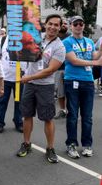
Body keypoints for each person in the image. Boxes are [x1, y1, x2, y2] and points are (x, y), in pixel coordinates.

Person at [16, 14, 66, 164]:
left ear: (60, 27)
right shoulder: (36, 37)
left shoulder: (60, 47)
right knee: (27, 115)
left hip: (45, 86)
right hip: (30, 84)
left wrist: (27, 78)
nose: (52, 27)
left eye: (56, 25)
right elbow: (22, 51)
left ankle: (50, 148)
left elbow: (49, 70)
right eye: (50, 24)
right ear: (45, 24)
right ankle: (26, 144)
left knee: (48, 118)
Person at [63, 16, 102, 159]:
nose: (79, 26)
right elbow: (73, 60)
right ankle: (71, 144)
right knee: (72, 115)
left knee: (87, 116)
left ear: (84, 26)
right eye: (76, 24)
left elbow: (95, 55)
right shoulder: (66, 42)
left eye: (81, 23)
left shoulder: (90, 41)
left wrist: (101, 50)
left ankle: (87, 145)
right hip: (72, 81)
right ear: (71, 26)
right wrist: (96, 63)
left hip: (88, 82)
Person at [0, 36, 25, 133]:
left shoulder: (25, 39)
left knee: (19, 102)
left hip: (19, 79)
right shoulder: (3, 40)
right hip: (5, 78)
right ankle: (0, 122)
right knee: (2, 102)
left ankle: (18, 122)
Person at [54, 19, 70, 119]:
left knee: (70, 91)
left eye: (66, 24)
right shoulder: (54, 37)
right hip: (58, 68)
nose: (64, 25)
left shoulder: (71, 37)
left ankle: (70, 110)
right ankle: (62, 110)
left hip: (69, 68)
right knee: (60, 91)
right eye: (62, 23)